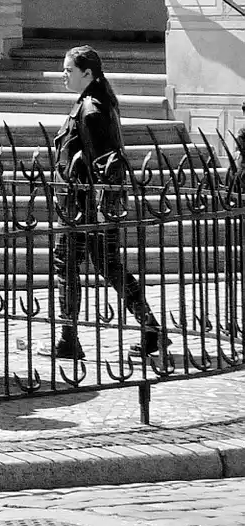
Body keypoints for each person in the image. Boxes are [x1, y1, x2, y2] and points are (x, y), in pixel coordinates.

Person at [48, 46, 167, 361]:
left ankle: (68, 340)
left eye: (69, 70)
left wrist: (100, 211)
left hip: (83, 206)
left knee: (67, 265)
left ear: (87, 74)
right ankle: (151, 329)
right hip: (89, 204)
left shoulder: (92, 109)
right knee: (107, 265)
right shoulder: (94, 103)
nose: (64, 75)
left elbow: (106, 163)